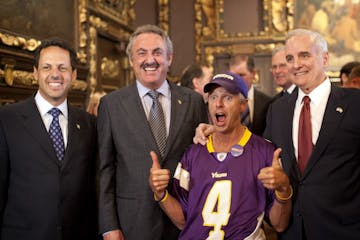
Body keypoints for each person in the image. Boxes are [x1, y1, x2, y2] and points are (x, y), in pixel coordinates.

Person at [97, 24, 208, 240]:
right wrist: (109, 226)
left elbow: (204, 158)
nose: (150, 60)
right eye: (142, 53)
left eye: (157, 52)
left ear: (170, 58)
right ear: (131, 61)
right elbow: (105, 170)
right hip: (133, 224)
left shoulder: (192, 101)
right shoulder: (111, 105)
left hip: (185, 221)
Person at [149, 72, 292, 239]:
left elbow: (279, 224)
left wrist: (283, 189)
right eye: (213, 97)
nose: (218, 104)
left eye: (228, 98)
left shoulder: (265, 152)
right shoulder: (193, 153)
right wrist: (161, 194)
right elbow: (183, 221)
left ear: (243, 105)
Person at [264, 29, 360, 239]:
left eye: (304, 55)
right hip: (293, 231)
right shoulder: (277, 110)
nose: (296, 64)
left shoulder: (355, 103)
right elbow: (262, 155)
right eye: (290, 58)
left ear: (325, 58)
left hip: (344, 231)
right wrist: (217, 134)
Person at [0, 38, 98, 240]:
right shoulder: (6, 119)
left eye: (63, 68)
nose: (55, 74)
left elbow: (92, 189)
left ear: (73, 75)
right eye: (47, 67)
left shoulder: (89, 124)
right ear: (35, 73)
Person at [229, 54, 272, 135]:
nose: (236, 80)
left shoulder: (268, 103)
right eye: (233, 76)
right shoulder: (222, 103)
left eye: (241, 75)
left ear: (254, 73)